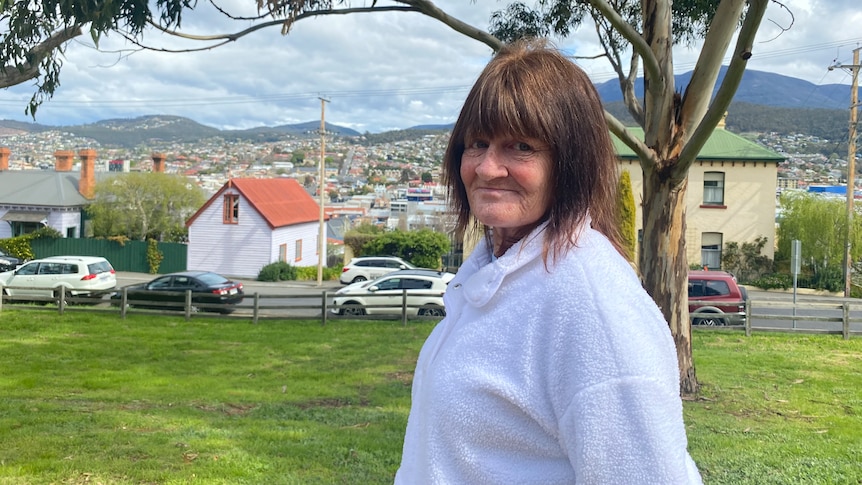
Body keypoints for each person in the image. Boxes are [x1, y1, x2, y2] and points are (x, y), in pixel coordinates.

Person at [394, 39, 703, 484]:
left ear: (570, 163)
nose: (486, 167)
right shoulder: (491, 274)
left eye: (520, 146)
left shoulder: (593, 306)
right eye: (477, 143)